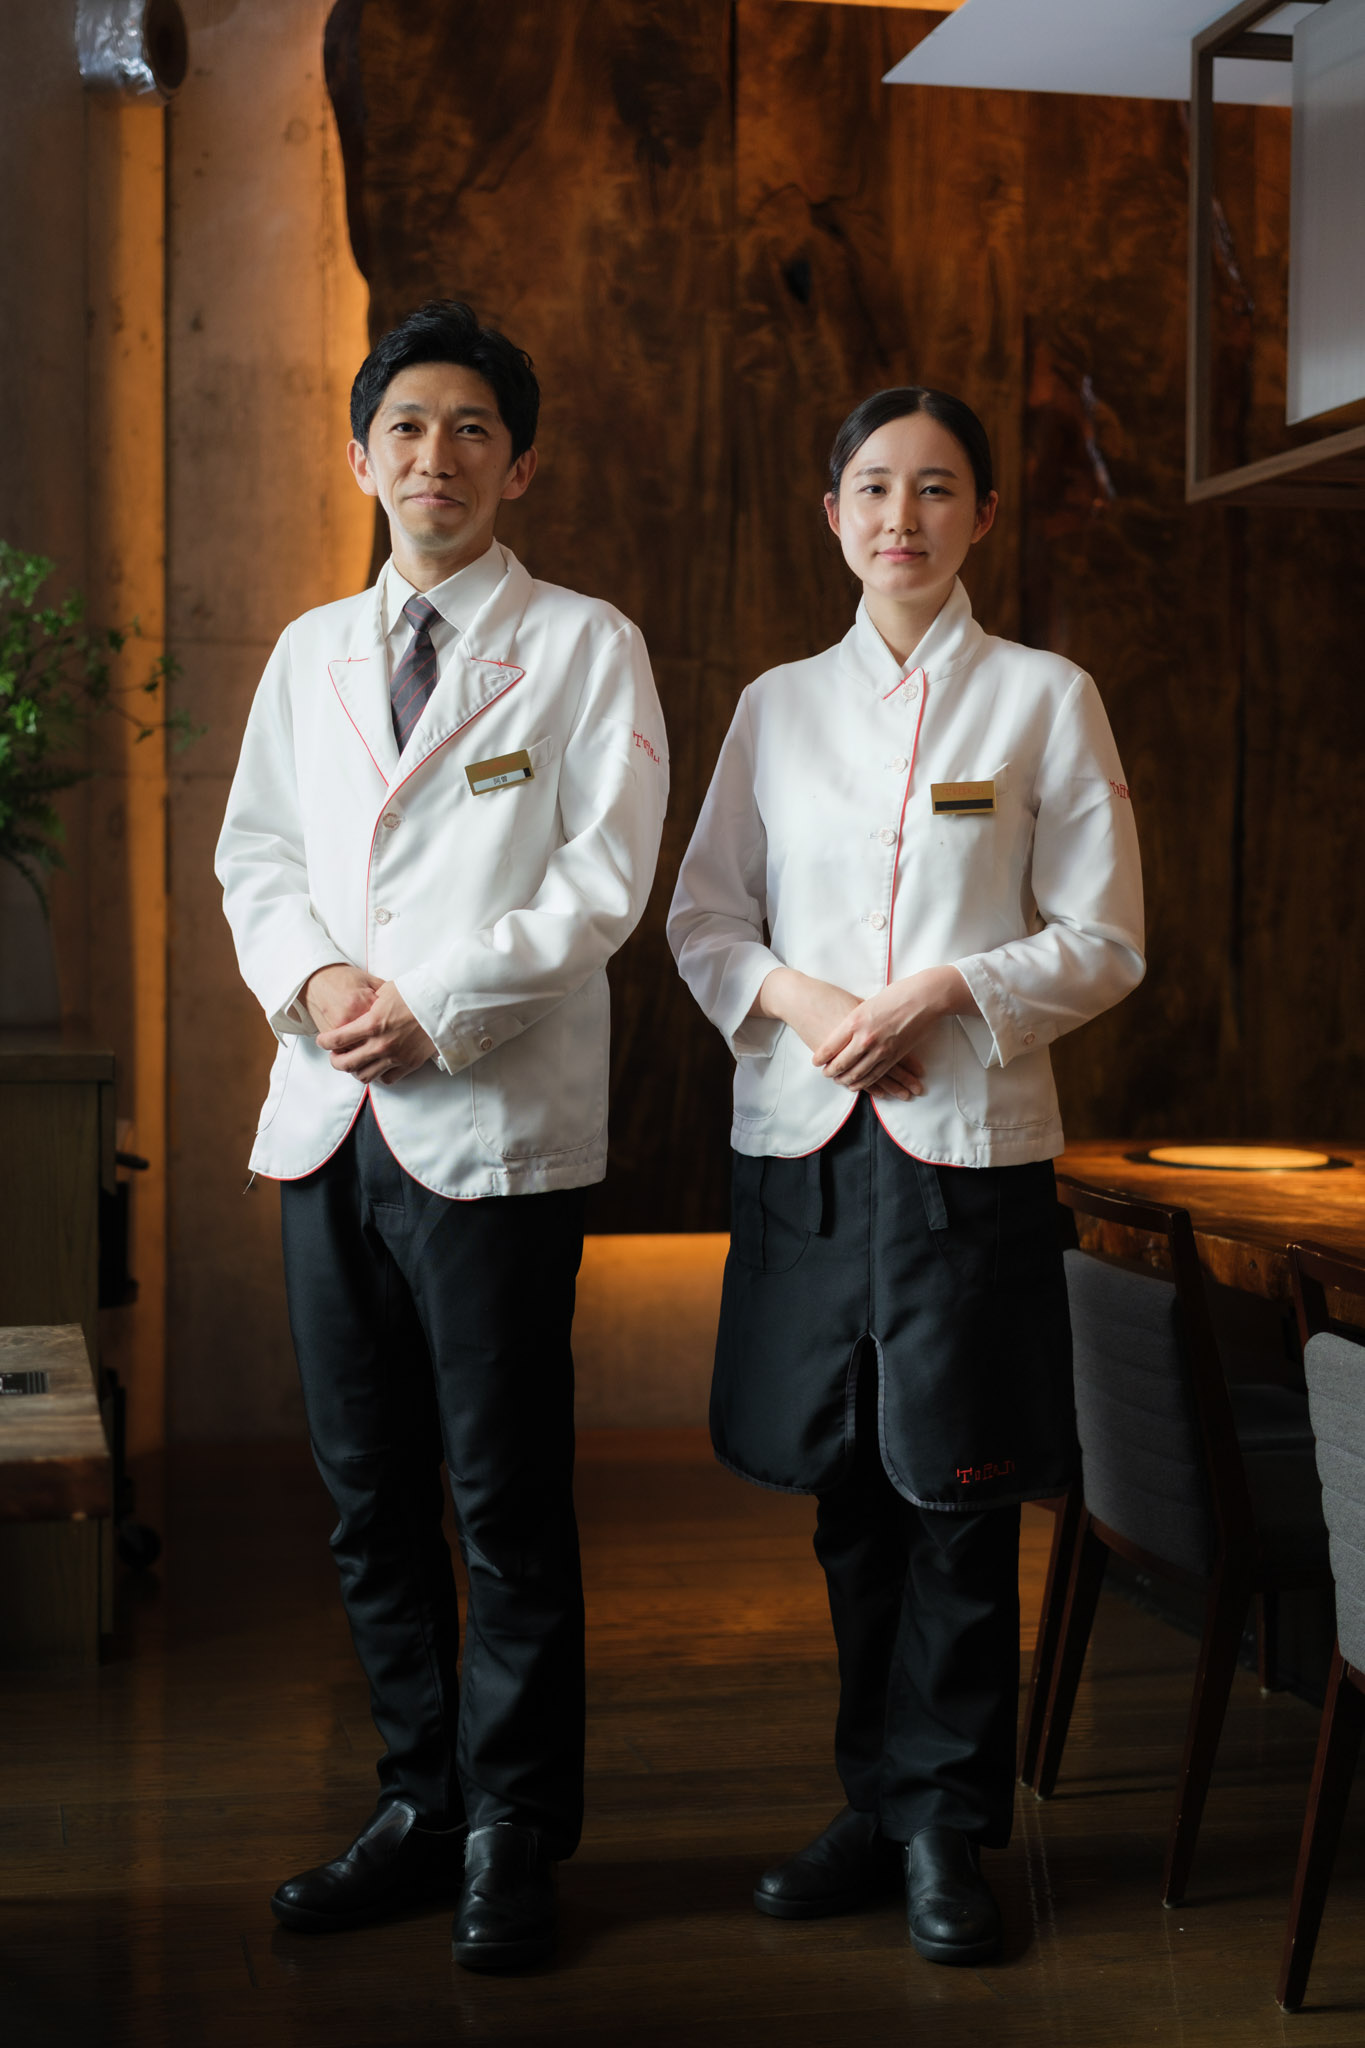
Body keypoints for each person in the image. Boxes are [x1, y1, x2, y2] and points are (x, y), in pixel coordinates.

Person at [216, 300, 667, 1971]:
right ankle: (419, 1800)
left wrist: (435, 1003)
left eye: (472, 428)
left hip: (486, 1122)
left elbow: (601, 881)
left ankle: (512, 1830)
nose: (437, 456)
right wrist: (321, 980)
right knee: (365, 1496)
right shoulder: (306, 653)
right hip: (326, 1116)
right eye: (406, 427)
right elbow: (258, 857)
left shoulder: (585, 645)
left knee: (504, 1495)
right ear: (360, 459)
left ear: (518, 465)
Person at [667, 386, 1143, 1965]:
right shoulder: (774, 708)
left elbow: (1104, 937)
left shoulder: (1043, 699)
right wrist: (807, 1005)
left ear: (980, 516)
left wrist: (943, 991)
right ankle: (873, 1805)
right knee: (848, 1494)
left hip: (965, 1156)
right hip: (807, 1147)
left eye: (935, 489)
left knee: (959, 1491)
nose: (900, 516)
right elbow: (704, 922)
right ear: (832, 515)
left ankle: (946, 1827)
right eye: (872, 487)